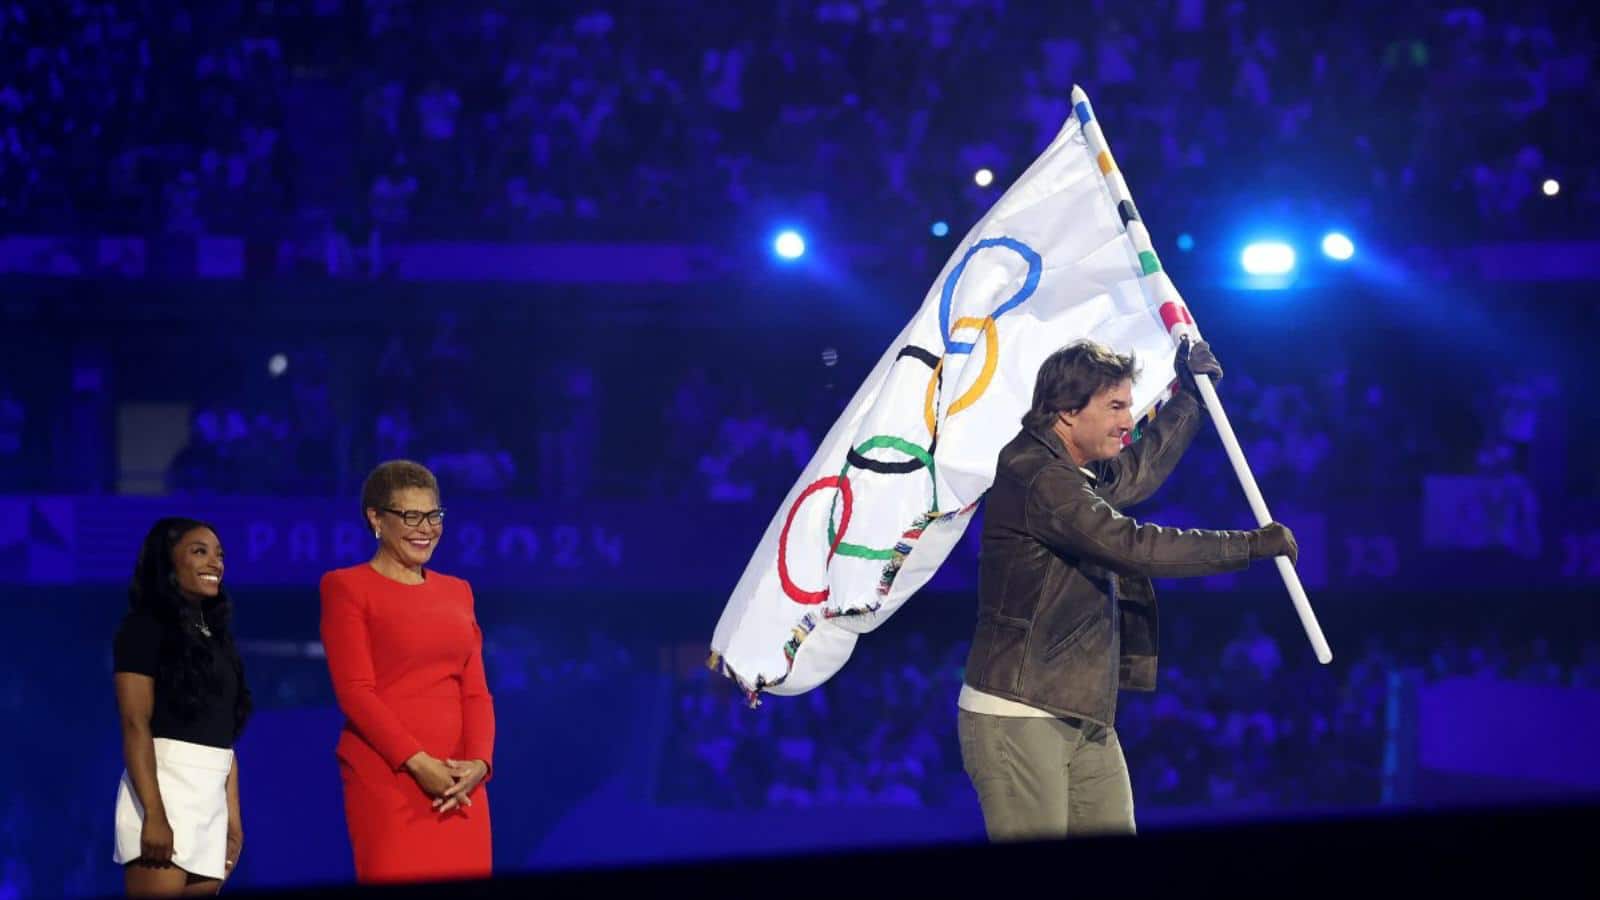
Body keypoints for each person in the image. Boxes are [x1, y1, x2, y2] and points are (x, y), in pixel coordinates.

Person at [957, 336, 1298, 840]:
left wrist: (1190, 398)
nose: (1126, 420)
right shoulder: (1036, 474)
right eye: (1115, 406)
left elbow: (1133, 474)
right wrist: (1246, 546)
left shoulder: (1072, 469)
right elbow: (1132, 546)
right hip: (1020, 713)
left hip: (1083, 713)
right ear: (1067, 413)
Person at [319, 460, 495, 884]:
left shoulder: (458, 591)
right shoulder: (346, 587)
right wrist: (420, 765)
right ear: (376, 518)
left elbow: (476, 692)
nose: (426, 528)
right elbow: (356, 692)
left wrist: (480, 764)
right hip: (390, 779)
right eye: (410, 515)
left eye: (433, 515)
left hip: (462, 786)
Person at [112, 518, 252, 896]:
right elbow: (134, 723)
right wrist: (154, 815)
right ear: (168, 561)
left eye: (220, 554)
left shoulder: (218, 638)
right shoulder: (143, 627)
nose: (215, 563)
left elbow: (223, 734)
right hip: (163, 791)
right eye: (199, 551)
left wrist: (232, 817)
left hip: (211, 798)